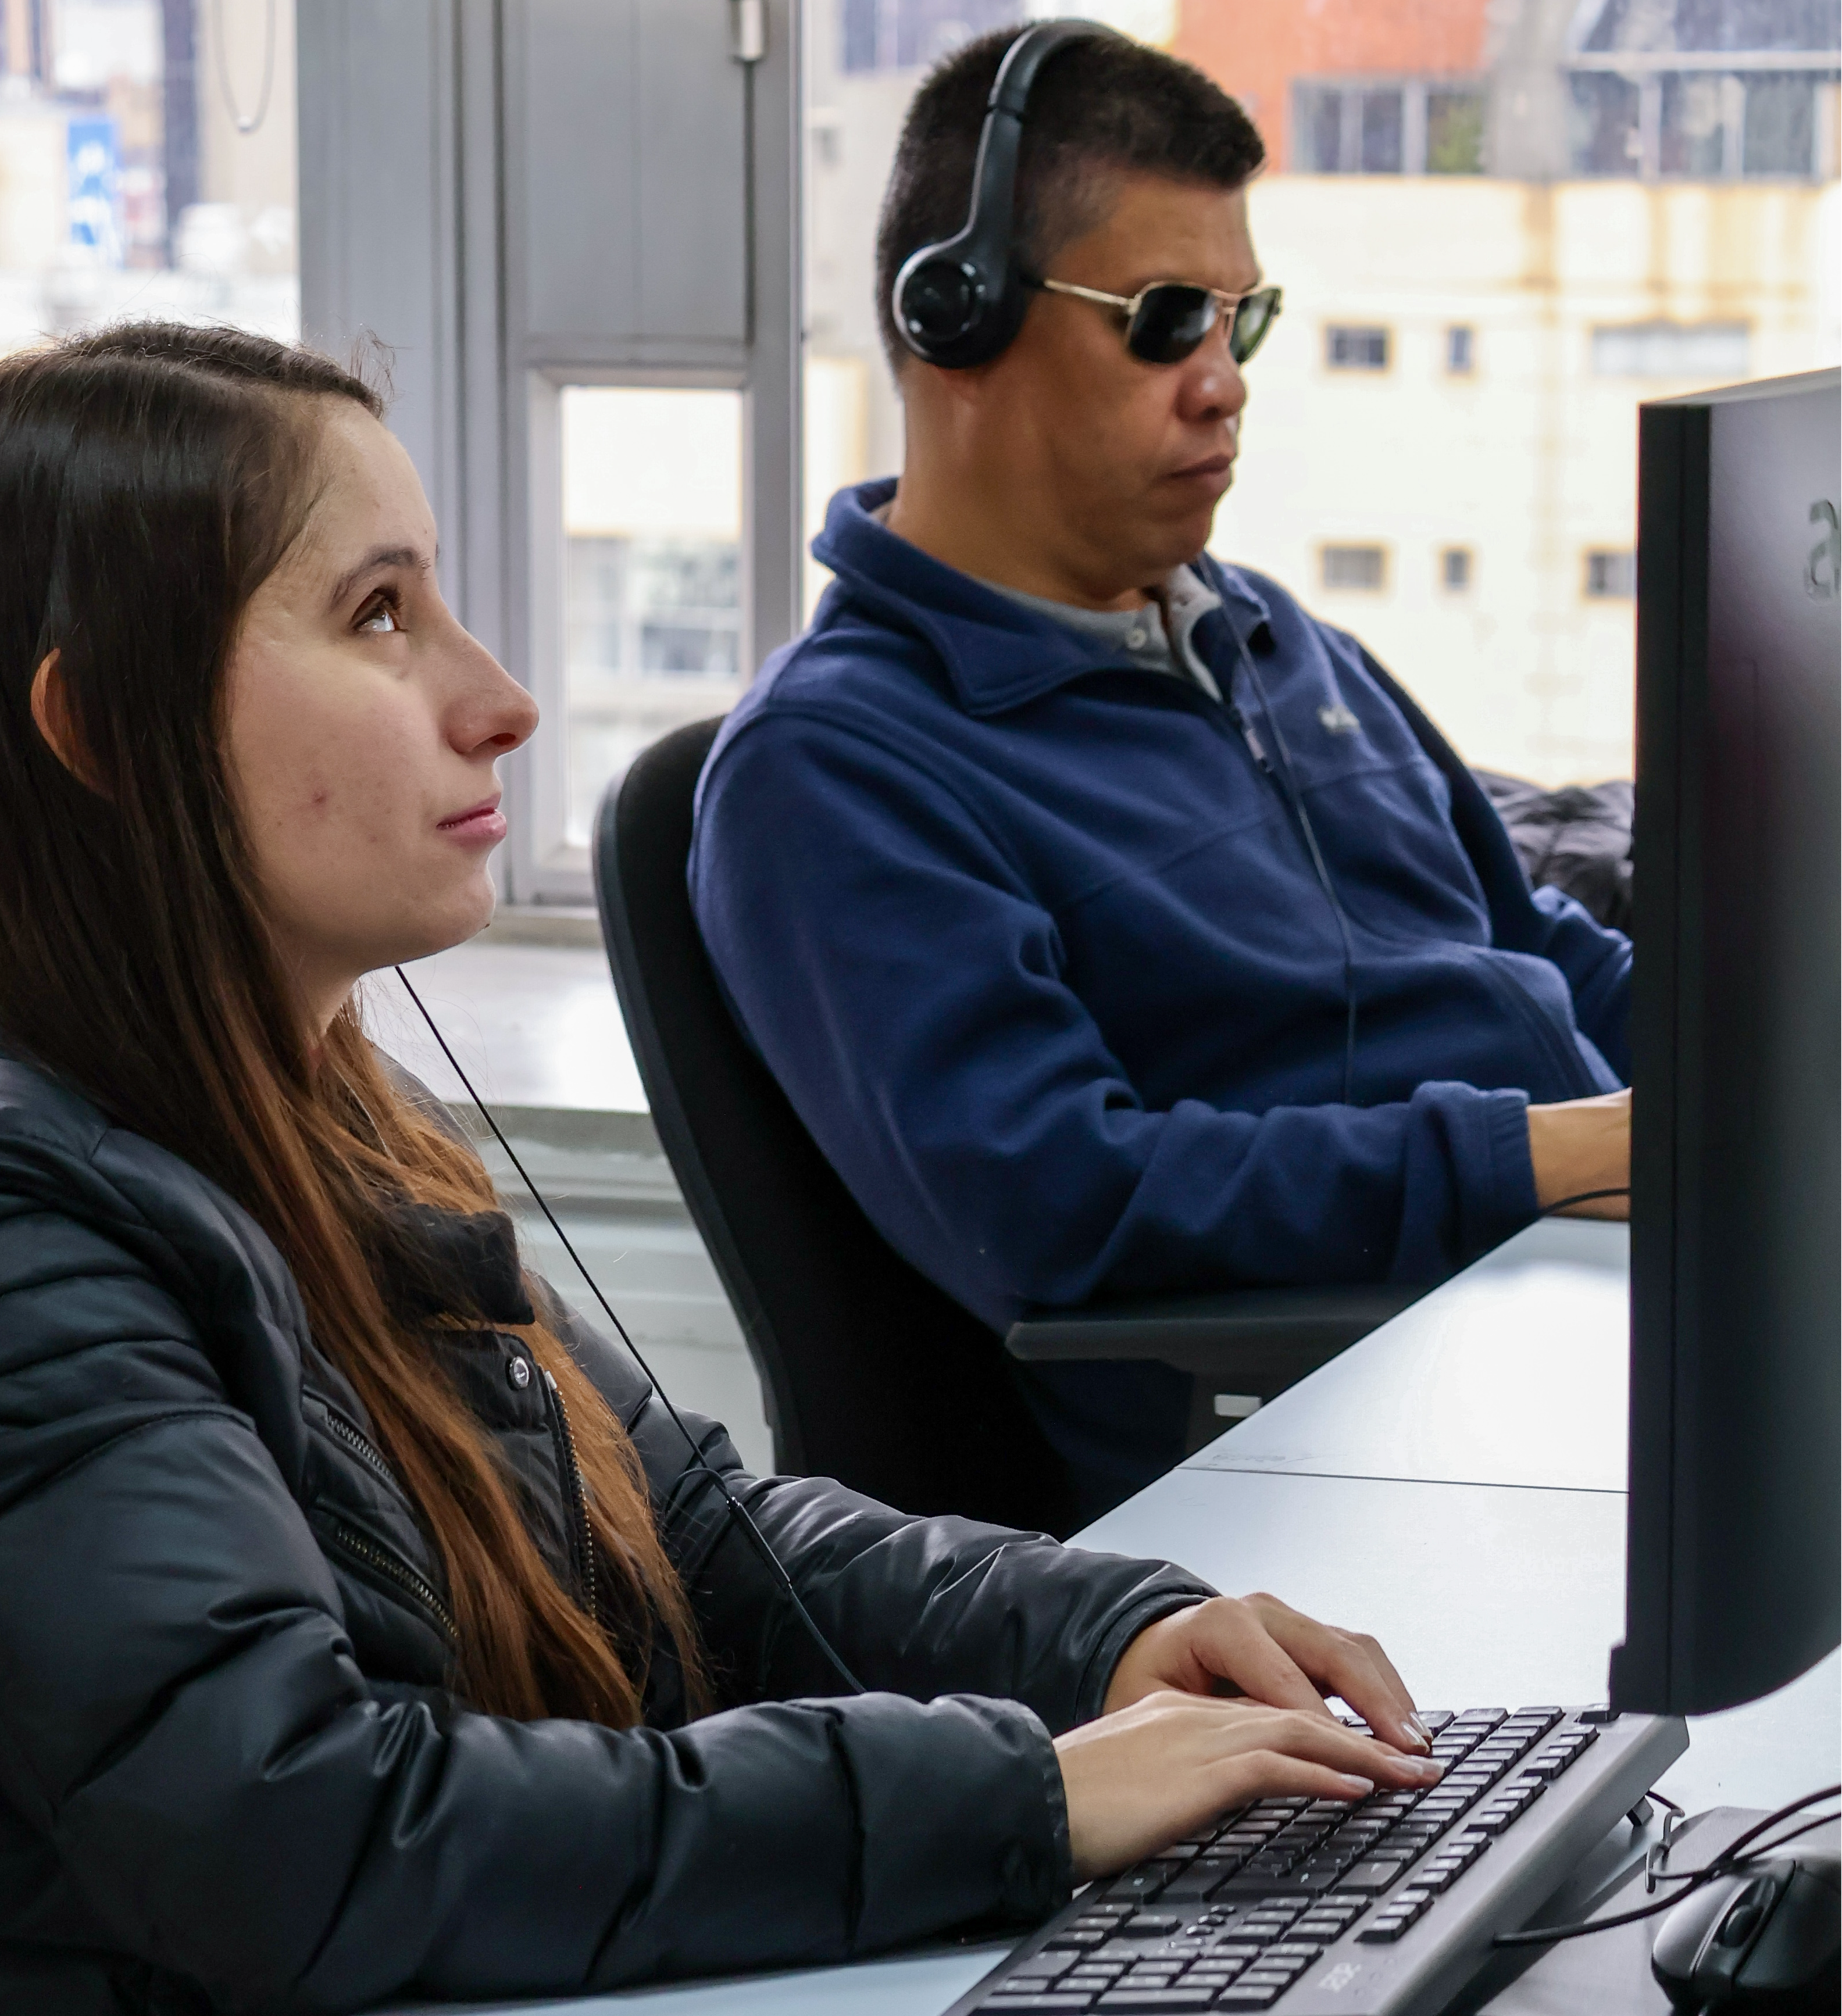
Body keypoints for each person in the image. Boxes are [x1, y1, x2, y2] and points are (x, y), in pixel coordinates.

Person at [0, 324, 1445, 2014]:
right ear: (106, 731)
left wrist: (1109, 1637)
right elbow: (311, 1839)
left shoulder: (311, 1101)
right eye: (378, 615)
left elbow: (695, 1538)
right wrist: (1030, 1791)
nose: (499, 701)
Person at [688, 27, 1634, 1520]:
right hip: (1340, 1435)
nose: (1222, 384)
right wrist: (1534, 1160)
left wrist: (1764, 1070)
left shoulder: (1269, 634)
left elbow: (1533, 946)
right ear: (957, 322)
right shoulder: (835, 769)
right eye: (1164, 320)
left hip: (1578, 1298)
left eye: (1238, 323)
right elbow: (1060, 1205)